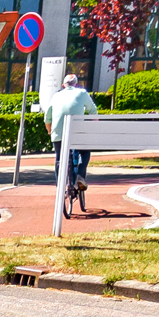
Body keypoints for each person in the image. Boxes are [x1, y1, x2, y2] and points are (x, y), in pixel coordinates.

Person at [44, 72, 98, 214]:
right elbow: (93, 111)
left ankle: (59, 187)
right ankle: (80, 175)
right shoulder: (82, 93)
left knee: (59, 158)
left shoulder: (56, 96)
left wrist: (50, 131)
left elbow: (47, 118)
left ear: (63, 85)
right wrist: (93, 126)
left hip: (58, 134)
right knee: (85, 152)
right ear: (76, 84)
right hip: (76, 133)